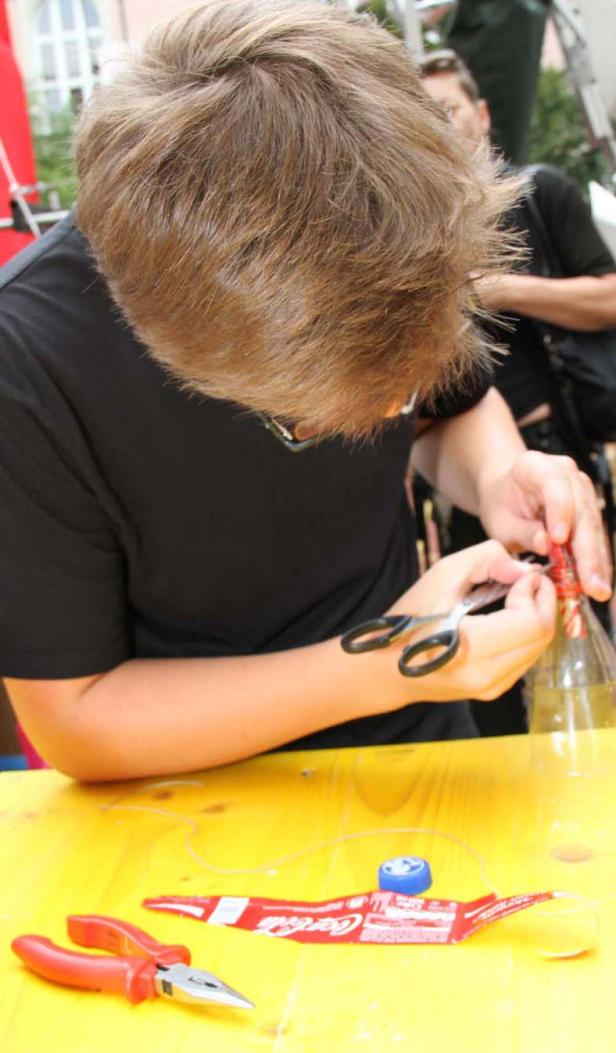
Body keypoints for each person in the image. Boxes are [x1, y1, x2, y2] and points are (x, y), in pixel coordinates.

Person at [0, 1, 609, 782]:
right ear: (190, 357)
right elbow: (79, 720)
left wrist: (499, 474)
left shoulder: (382, 230)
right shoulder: (26, 364)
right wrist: (386, 664)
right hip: (181, 796)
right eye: (327, 421)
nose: (390, 416)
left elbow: (448, 413)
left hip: (423, 752)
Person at [420, 48, 616, 733]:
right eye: (422, 118)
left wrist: (501, 288)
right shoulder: (412, 231)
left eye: (447, 111)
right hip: (460, 463)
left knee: (588, 621)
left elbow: (609, 294)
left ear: (482, 113)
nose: (439, 130)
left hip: (549, 444)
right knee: (489, 643)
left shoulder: (541, 193)